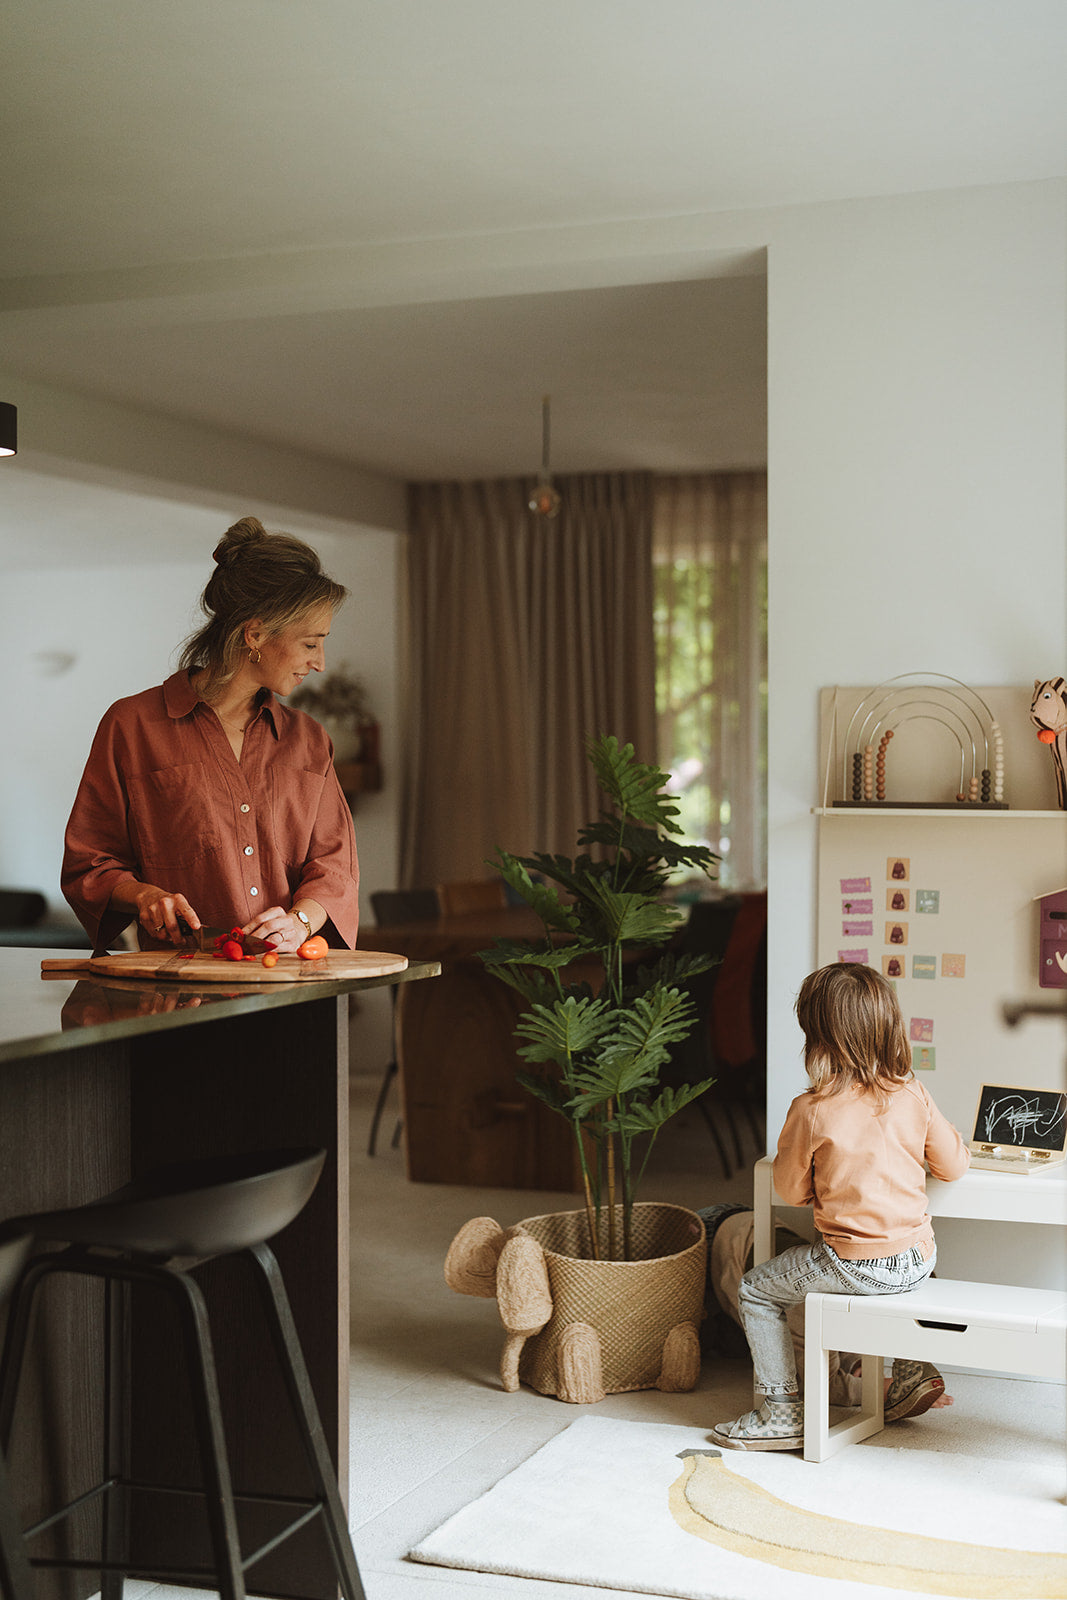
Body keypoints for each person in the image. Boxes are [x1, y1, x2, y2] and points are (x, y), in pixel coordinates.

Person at [63, 515, 359, 955]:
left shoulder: (310, 740)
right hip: (180, 996)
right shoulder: (132, 726)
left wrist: (300, 922)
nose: (319, 663)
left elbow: (335, 867)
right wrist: (145, 896)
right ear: (255, 634)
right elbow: (90, 862)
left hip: (293, 988)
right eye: (311, 643)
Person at [711, 961, 970, 1452]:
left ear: (817, 1036)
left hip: (855, 1266)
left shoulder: (812, 1109)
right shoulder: (913, 1092)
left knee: (757, 1291)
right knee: (877, 1259)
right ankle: (907, 1366)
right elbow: (954, 1167)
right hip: (919, 1262)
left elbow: (788, 1192)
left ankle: (780, 1410)